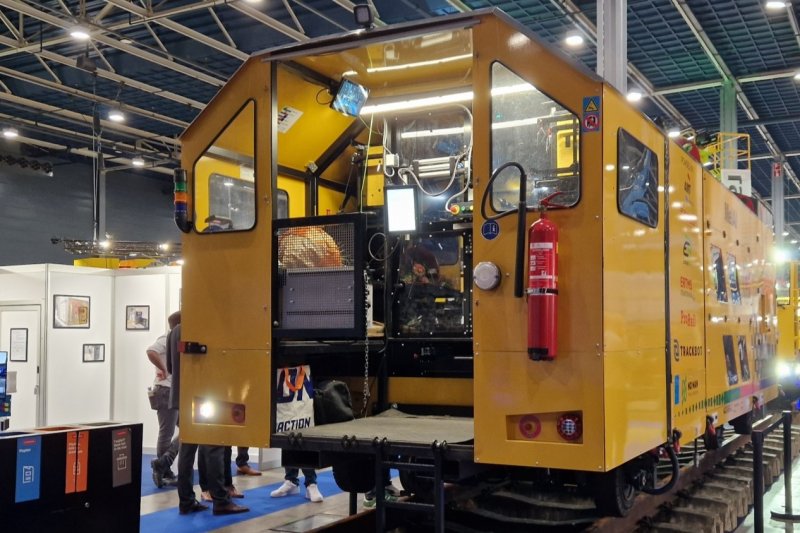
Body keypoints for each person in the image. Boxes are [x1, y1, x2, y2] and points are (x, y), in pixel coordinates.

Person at [168, 319, 248, 516]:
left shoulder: (176, 330)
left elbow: (170, 367)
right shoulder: (207, 327)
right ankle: (221, 500)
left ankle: (186, 501)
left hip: (184, 396)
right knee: (214, 448)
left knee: (186, 450)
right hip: (207, 396)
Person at [148, 311, 181, 488]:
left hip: (174, 390)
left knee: (190, 430)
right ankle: (163, 470)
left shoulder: (173, 338)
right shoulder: (167, 337)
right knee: (166, 432)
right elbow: (151, 351)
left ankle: (163, 463)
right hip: (166, 391)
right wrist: (164, 369)